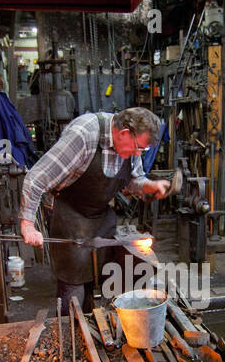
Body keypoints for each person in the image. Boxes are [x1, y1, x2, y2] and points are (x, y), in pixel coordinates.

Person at [19, 107, 169, 310]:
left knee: (103, 276)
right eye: (137, 148)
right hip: (68, 214)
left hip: (99, 214)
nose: (137, 154)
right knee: (74, 286)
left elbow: (132, 180)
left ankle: (92, 323)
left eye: (142, 150)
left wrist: (147, 185)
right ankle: (68, 329)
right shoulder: (84, 134)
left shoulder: (131, 145)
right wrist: (27, 224)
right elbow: (36, 179)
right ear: (124, 133)